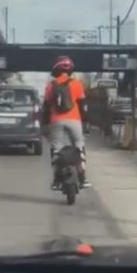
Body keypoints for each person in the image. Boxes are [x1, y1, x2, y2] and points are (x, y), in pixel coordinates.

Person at [42, 56, 91, 190]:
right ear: (70, 70)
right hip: (74, 120)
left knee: (56, 149)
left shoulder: (51, 85)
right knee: (79, 146)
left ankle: (56, 180)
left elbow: (45, 107)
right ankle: (83, 178)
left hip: (56, 121)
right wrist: (86, 124)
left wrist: (45, 125)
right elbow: (83, 106)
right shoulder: (76, 84)